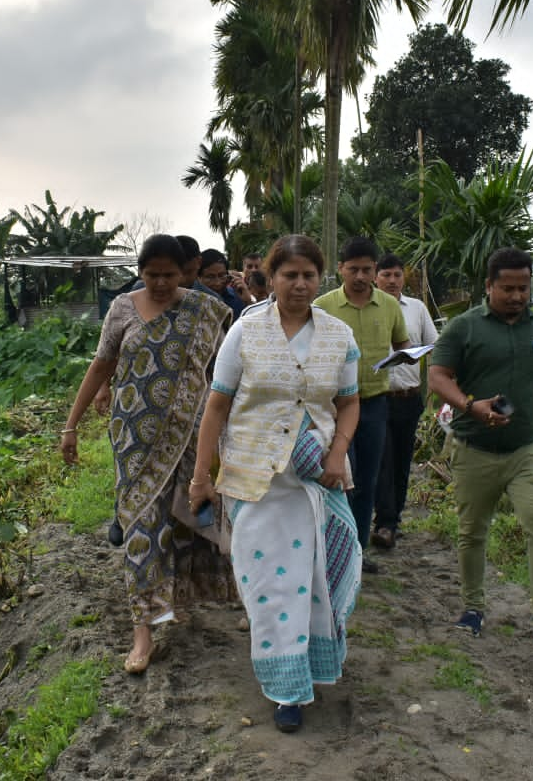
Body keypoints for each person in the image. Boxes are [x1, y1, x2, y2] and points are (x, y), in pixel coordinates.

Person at [191, 234, 362, 734]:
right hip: (255, 482)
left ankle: (308, 673)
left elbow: (349, 402)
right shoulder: (246, 333)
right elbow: (218, 405)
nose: (301, 284)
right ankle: (284, 687)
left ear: (320, 276)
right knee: (269, 585)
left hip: (315, 483)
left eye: (309, 275)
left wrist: (337, 452)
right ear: (271, 278)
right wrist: (203, 477)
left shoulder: (338, 336)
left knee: (312, 581)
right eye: (290, 275)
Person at [60, 234, 236, 673]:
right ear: (139, 272)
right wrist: (71, 424)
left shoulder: (207, 311)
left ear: (185, 274)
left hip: (192, 434)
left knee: (187, 518)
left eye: (169, 275)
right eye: (151, 274)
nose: (160, 283)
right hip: (133, 437)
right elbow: (102, 364)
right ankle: (144, 631)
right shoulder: (121, 309)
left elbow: (228, 373)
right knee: (141, 524)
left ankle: (177, 601)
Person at [427, 247, 533, 650]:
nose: (517, 296)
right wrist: (470, 406)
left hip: (527, 449)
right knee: (472, 532)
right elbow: (438, 376)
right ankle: (472, 608)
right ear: (489, 286)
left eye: (524, 288)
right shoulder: (464, 328)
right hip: (473, 447)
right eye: (508, 288)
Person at [313, 236, 409, 568]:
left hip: (375, 403)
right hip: (333, 405)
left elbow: (402, 343)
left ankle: (357, 552)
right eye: (353, 269)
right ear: (340, 268)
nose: (360, 276)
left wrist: (403, 357)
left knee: (367, 479)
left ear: (375, 270)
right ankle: (330, 551)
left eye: (367, 270)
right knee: (338, 477)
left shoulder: (389, 305)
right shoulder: (323, 306)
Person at [370, 253, 439, 551]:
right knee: (381, 460)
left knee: (401, 461)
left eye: (397, 275)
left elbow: (434, 345)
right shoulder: (368, 308)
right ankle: (383, 522)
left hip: (409, 396)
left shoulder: (417, 309)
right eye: (386, 275)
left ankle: (393, 519)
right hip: (376, 396)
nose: (393, 280)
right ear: (376, 277)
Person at [198, 248, 246, 319]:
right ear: (198, 277)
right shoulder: (191, 301)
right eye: (210, 277)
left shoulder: (238, 297)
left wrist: (248, 302)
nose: (217, 283)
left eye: (221, 275)